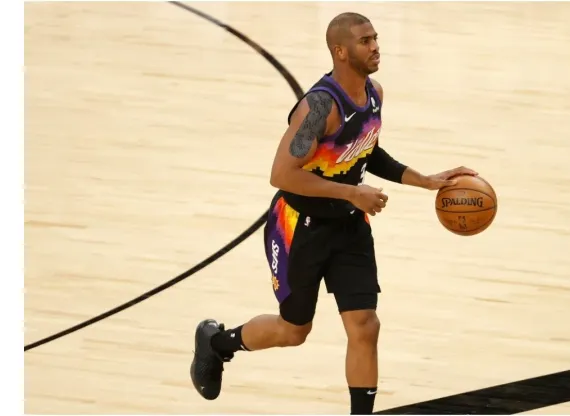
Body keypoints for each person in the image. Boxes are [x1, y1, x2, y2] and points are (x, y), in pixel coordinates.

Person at [189, 11, 478, 414]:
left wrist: (425, 180)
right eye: (365, 41)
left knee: (365, 326)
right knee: (293, 331)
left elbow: (366, 149)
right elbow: (281, 174)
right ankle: (217, 343)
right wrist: (352, 192)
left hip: (348, 227)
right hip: (299, 229)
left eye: (376, 38)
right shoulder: (319, 107)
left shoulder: (374, 92)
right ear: (340, 51)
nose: (376, 46)